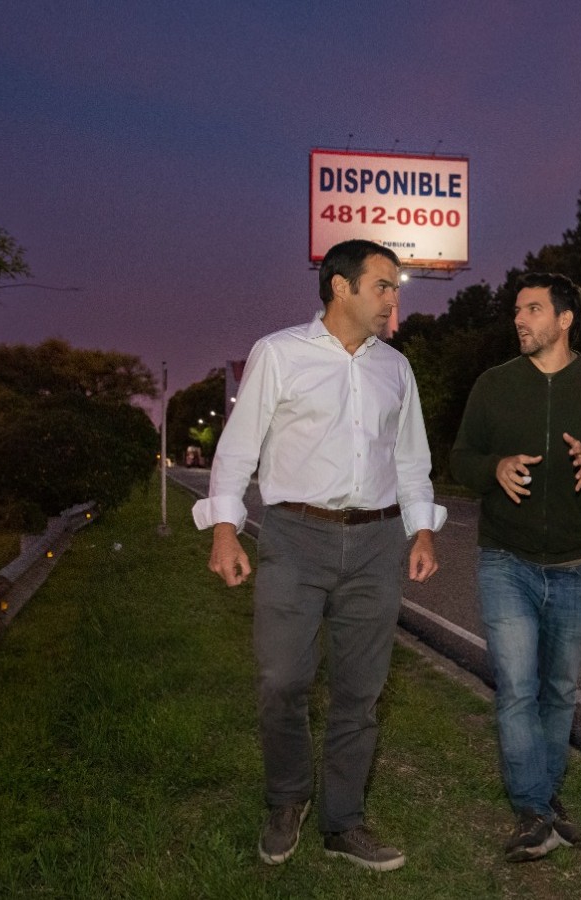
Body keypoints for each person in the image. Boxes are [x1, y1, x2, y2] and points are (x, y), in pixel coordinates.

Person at [193, 238, 445, 872]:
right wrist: (225, 528)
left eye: (396, 287)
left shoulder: (396, 368)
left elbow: (411, 458)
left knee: (362, 692)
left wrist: (422, 530)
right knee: (282, 680)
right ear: (341, 287)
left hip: (376, 541)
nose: (394, 297)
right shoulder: (279, 355)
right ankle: (286, 801)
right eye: (384, 284)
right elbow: (238, 447)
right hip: (294, 539)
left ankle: (344, 822)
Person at [450, 271, 581, 862]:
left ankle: (543, 800)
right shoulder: (493, 385)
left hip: (575, 565)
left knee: (559, 691)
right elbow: (460, 457)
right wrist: (494, 469)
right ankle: (534, 809)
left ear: (564, 319)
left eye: (532, 309)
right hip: (506, 561)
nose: (519, 319)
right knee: (516, 689)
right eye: (516, 310)